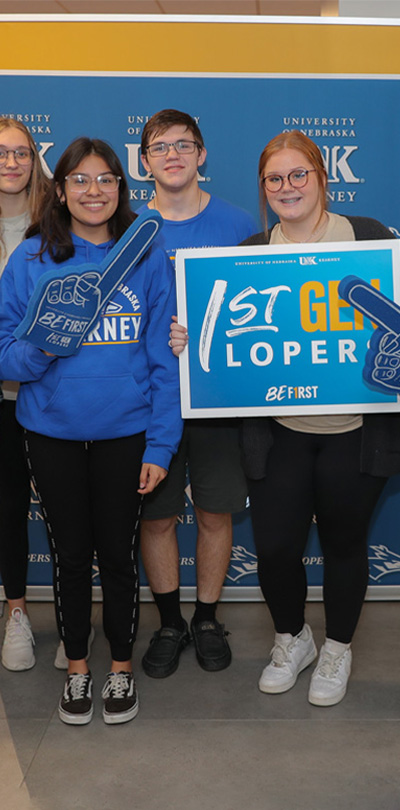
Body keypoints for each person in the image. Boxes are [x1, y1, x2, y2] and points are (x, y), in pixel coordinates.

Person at [0, 137, 182, 724]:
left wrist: (160, 442)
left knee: (120, 555)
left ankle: (121, 669)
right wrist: (41, 352)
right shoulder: (29, 259)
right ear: (60, 190)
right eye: (80, 180)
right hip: (51, 431)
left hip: (127, 432)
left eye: (105, 180)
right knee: (71, 556)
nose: (94, 191)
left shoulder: (144, 255)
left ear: (121, 189)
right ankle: (78, 668)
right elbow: (5, 349)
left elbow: (162, 356)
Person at [240, 130, 400, 706]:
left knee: (344, 544)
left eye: (298, 174)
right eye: (275, 179)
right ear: (264, 188)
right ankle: (293, 638)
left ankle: (338, 647)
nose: (288, 187)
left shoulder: (371, 238)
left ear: (322, 177)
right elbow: (231, 344)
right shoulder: (251, 253)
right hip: (280, 435)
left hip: (356, 435)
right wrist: (195, 346)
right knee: (277, 548)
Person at [138, 109, 257, 678]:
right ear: (145, 162)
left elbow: (262, 314)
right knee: (156, 518)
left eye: (184, 144)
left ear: (203, 153)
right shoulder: (130, 232)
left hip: (218, 404)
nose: (173, 155)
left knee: (214, 513)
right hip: (150, 403)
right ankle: (168, 621)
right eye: (160, 147)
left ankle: (206, 617)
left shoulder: (239, 227)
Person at [0, 118, 49, 671]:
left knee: (64, 510)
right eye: (1, 153)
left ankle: (70, 621)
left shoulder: (55, 226)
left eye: (21, 153)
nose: (11, 163)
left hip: (49, 391)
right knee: (9, 505)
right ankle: (16, 612)